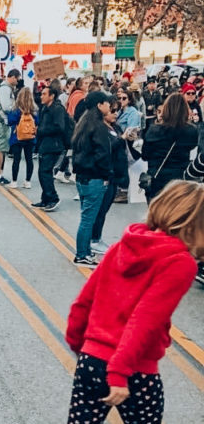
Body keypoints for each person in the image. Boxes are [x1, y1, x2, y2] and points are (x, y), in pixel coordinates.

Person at [65, 181, 203, 424]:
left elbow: (84, 303)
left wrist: (81, 348)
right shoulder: (180, 262)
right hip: (134, 369)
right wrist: (117, 373)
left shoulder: (123, 245)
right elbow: (146, 320)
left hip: (90, 358)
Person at [71, 92, 113, 268]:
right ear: (99, 105)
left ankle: (85, 252)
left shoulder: (83, 123)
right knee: (88, 218)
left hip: (82, 177)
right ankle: (81, 254)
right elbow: (103, 154)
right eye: (107, 103)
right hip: (95, 177)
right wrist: (105, 176)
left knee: (86, 216)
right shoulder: (99, 127)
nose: (109, 107)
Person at [141, 93, 198, 202]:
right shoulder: (191, 130)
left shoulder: (154, 130)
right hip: (180, 178)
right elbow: (193, 147)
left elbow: (145, 155)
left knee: (157, 215)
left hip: (157, 177)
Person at [90, 96, 128, 255]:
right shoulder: (99, 128)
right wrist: (121, 140)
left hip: (115, 173)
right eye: (112, 110)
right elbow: (106, 149)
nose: (115, 114)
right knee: (99, 209)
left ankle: (96, 237)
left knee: (105, 208)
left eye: (117, 110)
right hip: (104, 174)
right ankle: (94, 239)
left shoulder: (115, 127)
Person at [33, 85, 67, 211]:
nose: (41, 96)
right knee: (42, 172)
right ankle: (45, 199)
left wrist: (41, 130)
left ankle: (53, 198)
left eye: (44, 94)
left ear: (52, 96)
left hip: (54, 145)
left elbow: (60, 127)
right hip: (45, 144)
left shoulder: (57, 109)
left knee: (45, 172)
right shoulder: (45, 108)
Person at [0, 69, 19, 185]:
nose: (18, 81)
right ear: (12, 77)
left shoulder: (2, 87)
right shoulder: (5, 89)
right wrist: (14, 106)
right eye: (17, 78)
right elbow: (7, 107)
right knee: (0, 150)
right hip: (1, 122)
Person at [6, 87, 37, 189]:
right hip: (30, 137)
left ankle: (14, 181)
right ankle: (27, 181)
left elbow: (10, 121)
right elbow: (37, 122)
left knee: (16, 159)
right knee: (29, 159)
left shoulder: (16, 109)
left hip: (17, 137)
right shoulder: (34, 110)